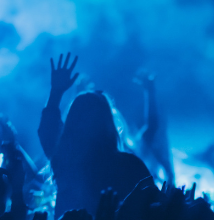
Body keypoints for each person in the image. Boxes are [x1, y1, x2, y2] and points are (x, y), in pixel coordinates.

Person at [37, 53, 154, 214]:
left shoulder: (66, 164)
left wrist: (56, 92)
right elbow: (154, 206)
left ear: (71, 124)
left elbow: (47, 131)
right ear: (108, 123)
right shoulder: (129, 165)